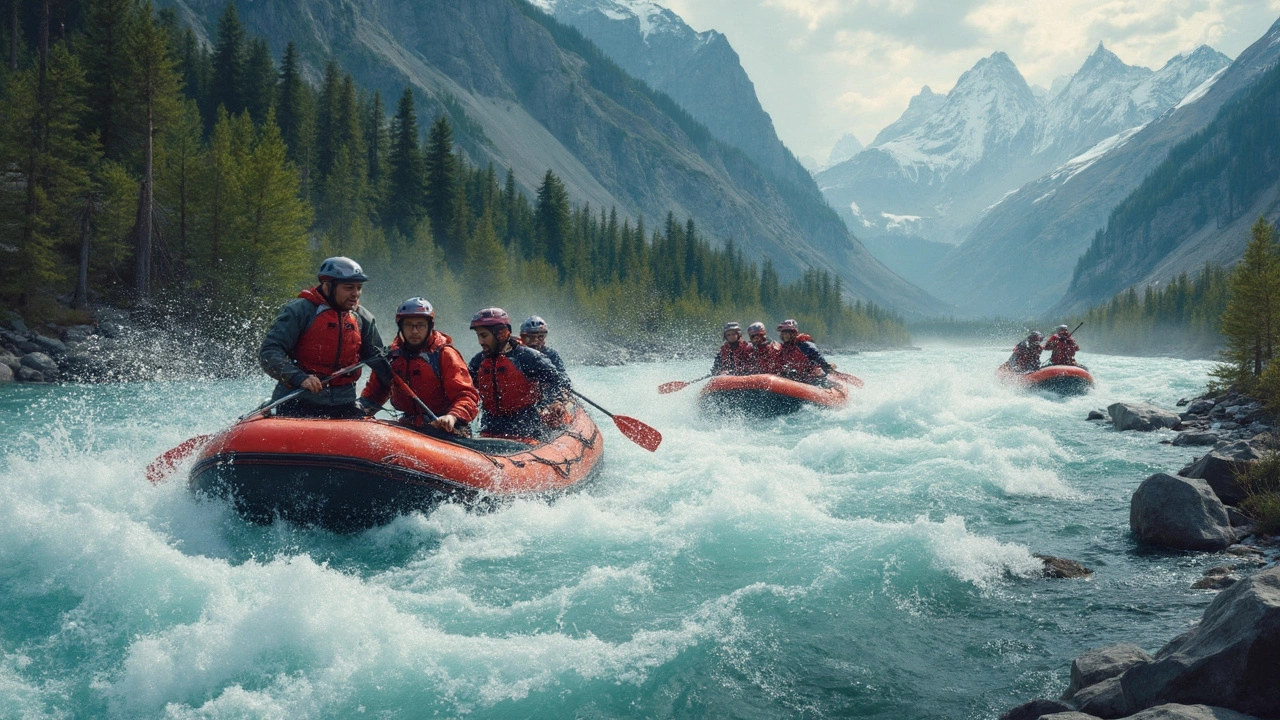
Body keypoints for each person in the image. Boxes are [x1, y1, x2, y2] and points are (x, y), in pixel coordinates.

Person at [259, 256, 386, 418]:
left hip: (344, 403)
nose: (356, 294)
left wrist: (373, 401)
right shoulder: (300, 311)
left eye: (359, 287)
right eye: (349, 288)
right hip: (297, 400)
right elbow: (269, 353)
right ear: (327, 285)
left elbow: (381, 363)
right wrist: (299, 378)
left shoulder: (362, 318)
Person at [359, 297, 479, 434]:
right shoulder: (392, 357)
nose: (415, 331)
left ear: (429, 327)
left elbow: (466, 395)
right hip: (409, 425)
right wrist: (359, 411)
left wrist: (452, 417)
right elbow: (374, 394)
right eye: (409, 325)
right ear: (401, 327)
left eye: (420, 325)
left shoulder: (445, 354)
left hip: (444, 426)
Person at [468, 307, 571, 440]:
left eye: (484, 336)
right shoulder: (478, 361)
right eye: (478, 336)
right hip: (490, 429)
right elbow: (465, 390)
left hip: (526, 431)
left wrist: (556, 400)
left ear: (502, 334)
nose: (480, 342)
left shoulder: (528, 357)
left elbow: (557, 381)